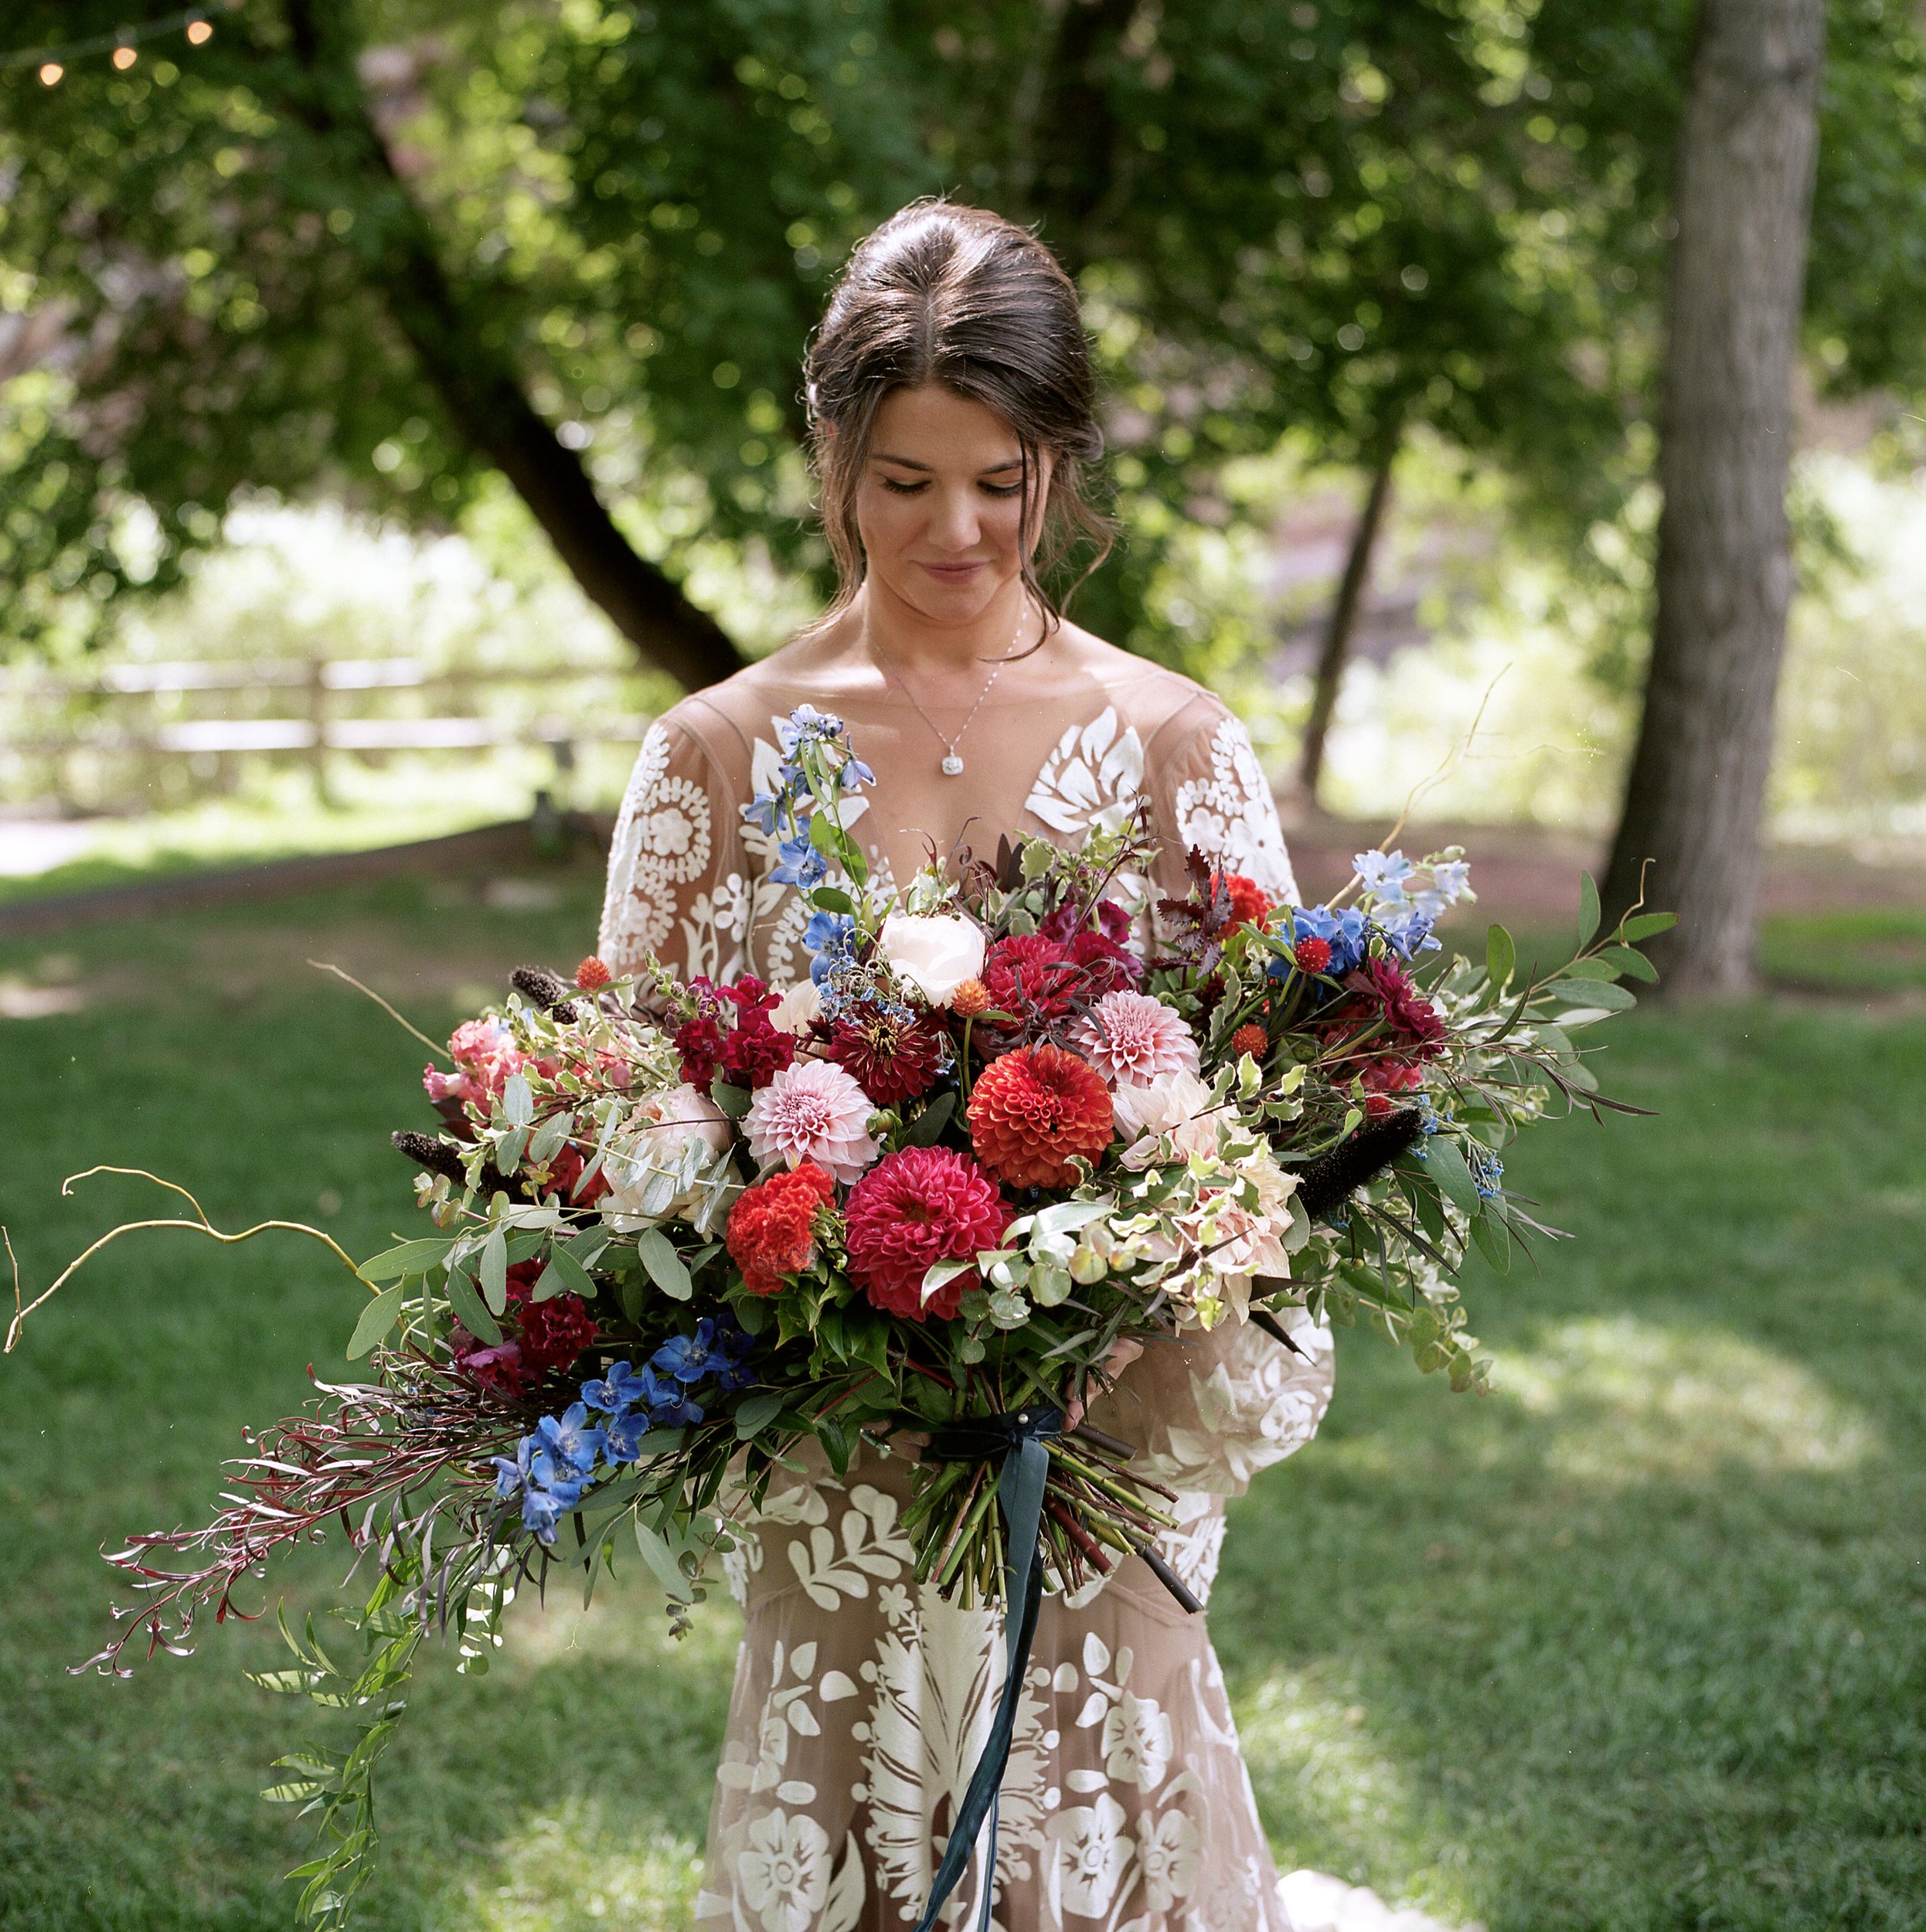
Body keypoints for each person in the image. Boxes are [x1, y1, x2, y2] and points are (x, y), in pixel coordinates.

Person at [597, 199, 1334, 1932]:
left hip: (1097, 1445)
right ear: (834, 458)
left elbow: (1284, 1124)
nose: (955, 526)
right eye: (905, 477)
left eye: (997, 479)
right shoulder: (714, 751)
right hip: (837, 1456)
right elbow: (625, 1119)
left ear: (1056, 466)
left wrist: (1123, 1307)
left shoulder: (1170, 742)